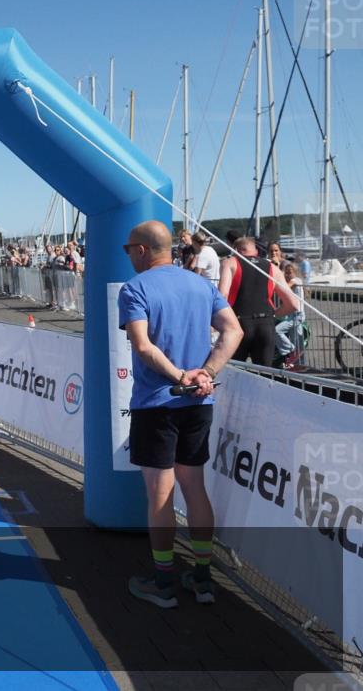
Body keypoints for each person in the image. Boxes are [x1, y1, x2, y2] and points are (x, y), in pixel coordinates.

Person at [118, 220, 243, 608]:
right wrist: (205, 373)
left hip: (159, 403)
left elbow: (142, 346)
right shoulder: (201, 285)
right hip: (198, 403)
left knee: (160, 494)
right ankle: (203, 579)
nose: (128, 255)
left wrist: (181, 377)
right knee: (194, 488)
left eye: (128, 249)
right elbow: (233, 331)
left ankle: (164, 582)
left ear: (141, 250)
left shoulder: (135, 288)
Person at [218, 236, 299, 366]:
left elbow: (223, 295)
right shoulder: (272, 267)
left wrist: (216, 322)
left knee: (234, 371)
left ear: (236, 250)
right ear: (255, 251)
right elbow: (293, 304)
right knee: (264, 373)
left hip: (239, 323)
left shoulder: (230, 263)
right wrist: (274, 315)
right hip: (265, 325)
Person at [275, 262, 306, 369]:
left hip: (297, 315)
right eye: (286, 273)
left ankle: (291, 350)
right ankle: (298, 363)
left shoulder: (297, 280)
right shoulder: (293, 283)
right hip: (293, 315)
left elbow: (286, 287)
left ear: (295, 272)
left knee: (277, 331)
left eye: (290, 272)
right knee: (297, 340)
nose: (288, 275)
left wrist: (279, 278)